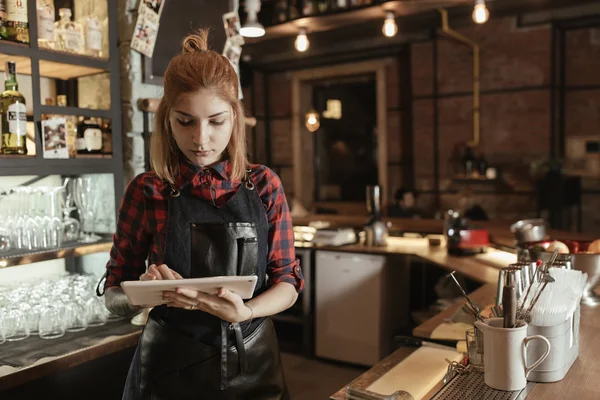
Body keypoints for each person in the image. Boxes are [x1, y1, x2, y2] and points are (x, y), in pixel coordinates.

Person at [99, 30, 304, 400]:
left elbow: (287, 284)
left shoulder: (264, 185)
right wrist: (146, 292)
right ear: (167, 119)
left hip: (252, 363)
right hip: (167, 371)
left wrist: (247, 311)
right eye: (186, 121)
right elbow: (113, 295)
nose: (201, 139)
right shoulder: (148, 190)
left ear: (235, 118)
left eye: (216, 121)